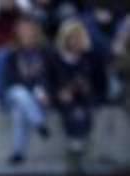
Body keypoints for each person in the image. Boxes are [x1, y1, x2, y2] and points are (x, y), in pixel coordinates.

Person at [50, 18, 107, 166]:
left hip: (87, 97)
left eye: (78, 37)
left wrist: (90, 89)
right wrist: (59, 93)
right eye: (71, 38)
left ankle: (81, 144)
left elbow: (101, 82)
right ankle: (75, 144)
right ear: (65, 39)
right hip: (64, 99)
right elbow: (49, 81)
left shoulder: (92, 57)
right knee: (72, 111)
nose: (75, 41)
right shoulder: (54, 58)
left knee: (84, 111)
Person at [6, 16, 53, 164]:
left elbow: (49, 76)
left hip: (37, 95)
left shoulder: (45, 52)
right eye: (22, 30)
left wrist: (43, 91)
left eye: (28, 30)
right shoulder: (12, 54)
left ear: (35, 31)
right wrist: (33, 88)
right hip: (14, 93)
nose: (25, 33)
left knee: (20, 111)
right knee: (20, 93)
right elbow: (11, 80)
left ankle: (18, 153)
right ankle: (39, 123)